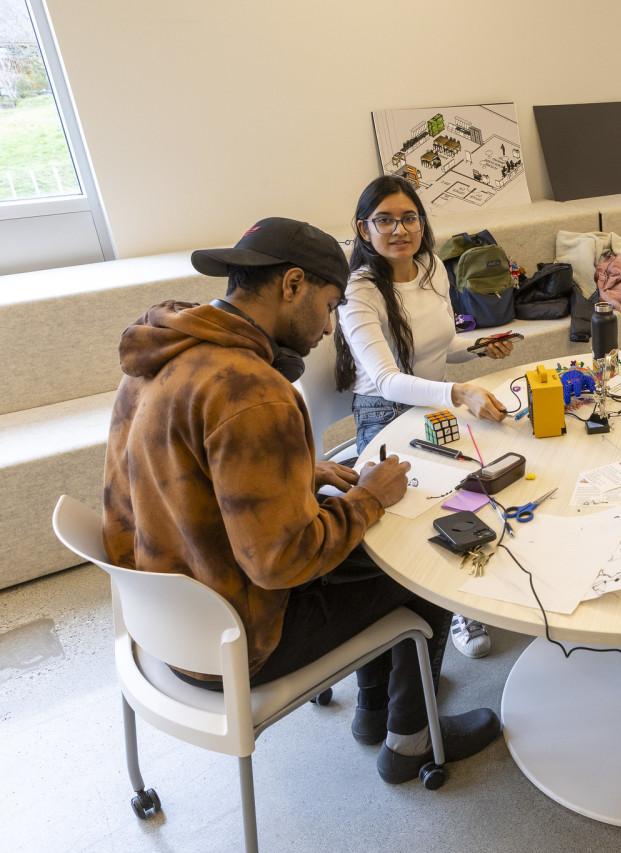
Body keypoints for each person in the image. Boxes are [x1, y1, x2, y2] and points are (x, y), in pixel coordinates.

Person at [102, 217, 501, 785]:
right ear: (293, 284)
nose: (329, 325)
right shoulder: (255, 392)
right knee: (420, 563)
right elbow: (283, 562)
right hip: (239, 641)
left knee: (366, 551)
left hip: (167, 620)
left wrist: (295, 472)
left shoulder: (159, 358)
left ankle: (373, 711)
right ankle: (410, 739)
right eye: (331, 302)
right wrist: (368, 497)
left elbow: (176, 470)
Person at [335, 175, 511, 661]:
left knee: (487, 469)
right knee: (425, 501)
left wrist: (475, 349)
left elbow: (441, 349)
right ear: (363, 228)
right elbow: (389, 379)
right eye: (384, 220)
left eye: (409, 217)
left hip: (432, 398)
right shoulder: (360, 291)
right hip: (383, 410)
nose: (399, 229)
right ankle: (453, 604)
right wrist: (459, 393)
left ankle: (471, 568)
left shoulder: (432, 266)